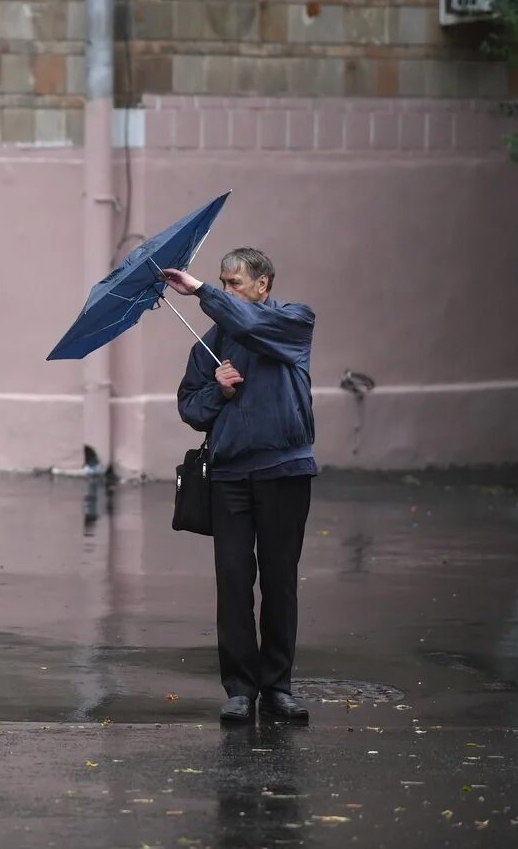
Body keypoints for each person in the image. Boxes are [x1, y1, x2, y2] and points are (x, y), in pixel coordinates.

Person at [165, 248, 316, 723]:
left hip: (284, 471)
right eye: (222, 283)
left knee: (279, 582)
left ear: (263, 285)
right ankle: (239, 689)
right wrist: (219, 390)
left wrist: (202, 293)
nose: (226, 290)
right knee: (233, 583)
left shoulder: (293, 323)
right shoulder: (208, 345)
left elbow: (252, 328)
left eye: (234, 283)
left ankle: (277, 687)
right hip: (229, 475)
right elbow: (190, 408)